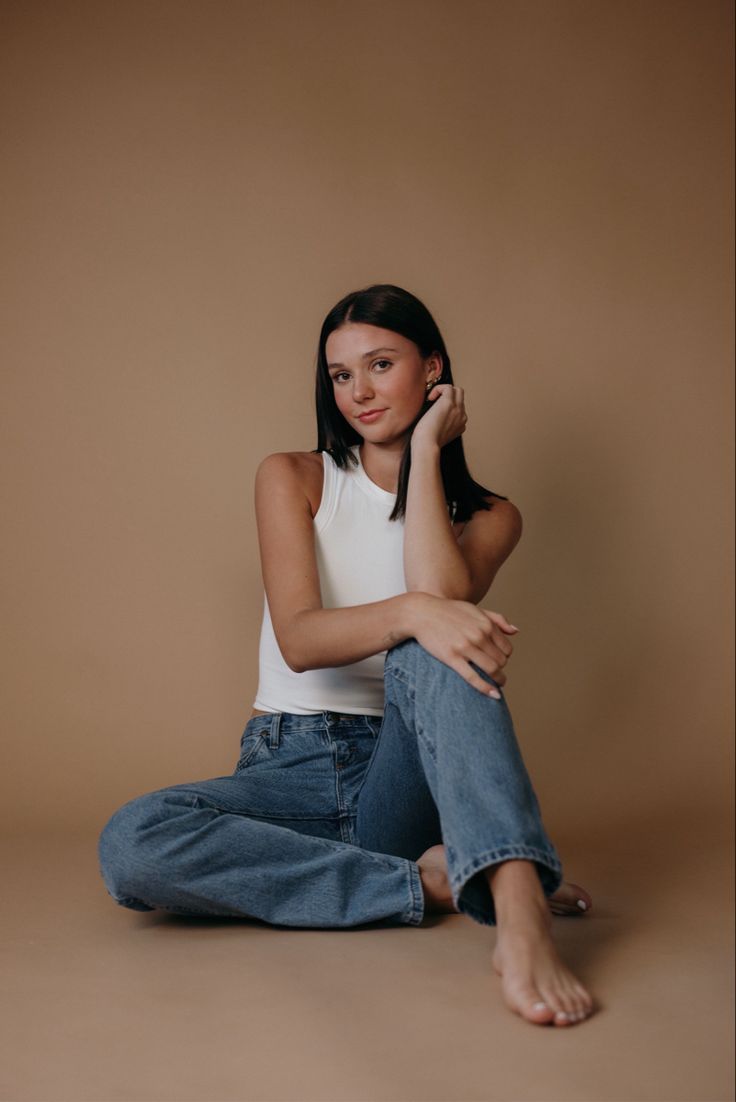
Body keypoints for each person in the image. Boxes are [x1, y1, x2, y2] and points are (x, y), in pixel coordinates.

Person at [98, 283, 595, 1027]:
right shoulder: (293, 477)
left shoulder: (491, 517)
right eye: (340, 375)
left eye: (381, 364)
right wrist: (417, 612)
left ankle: (519, 909)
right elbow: (301, 639)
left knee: (433, 646)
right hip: (287, 766)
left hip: (406, 771)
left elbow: (440, 596)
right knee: (132, 844)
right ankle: (433, 881)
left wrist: (426, 448)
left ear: (432, 370)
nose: (358, 391)